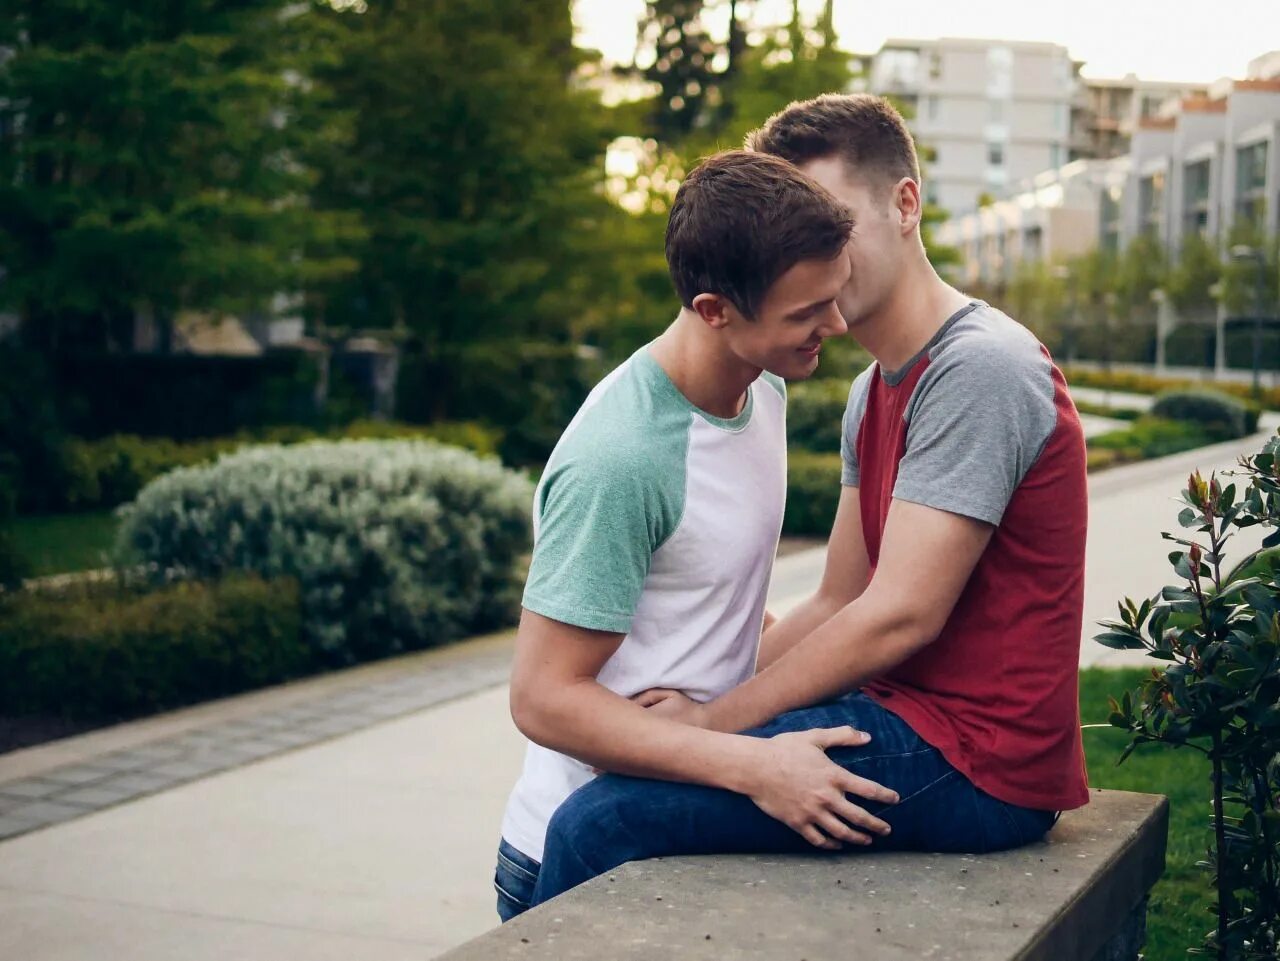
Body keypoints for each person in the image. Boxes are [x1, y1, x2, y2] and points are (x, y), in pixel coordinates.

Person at [527, 94, 1090, 908]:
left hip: (978, 757)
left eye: (835, 221)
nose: (818, 256)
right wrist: (704, 719)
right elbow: (838, 597)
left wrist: (710, 726)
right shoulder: (873, 391)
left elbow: (898, 614)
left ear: (906, 203)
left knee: (600, 822)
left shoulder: (982, 368)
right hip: (902, 715)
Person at [494, 149, 903, 922]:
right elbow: (543, 696)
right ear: (715, 309)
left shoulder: (765, 384)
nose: (838, 324)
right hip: (579, 856)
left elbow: (711, 602)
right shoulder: (623, 457)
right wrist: (753, 764)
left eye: (835, 293)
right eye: (806, 311)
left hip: (680, 820)